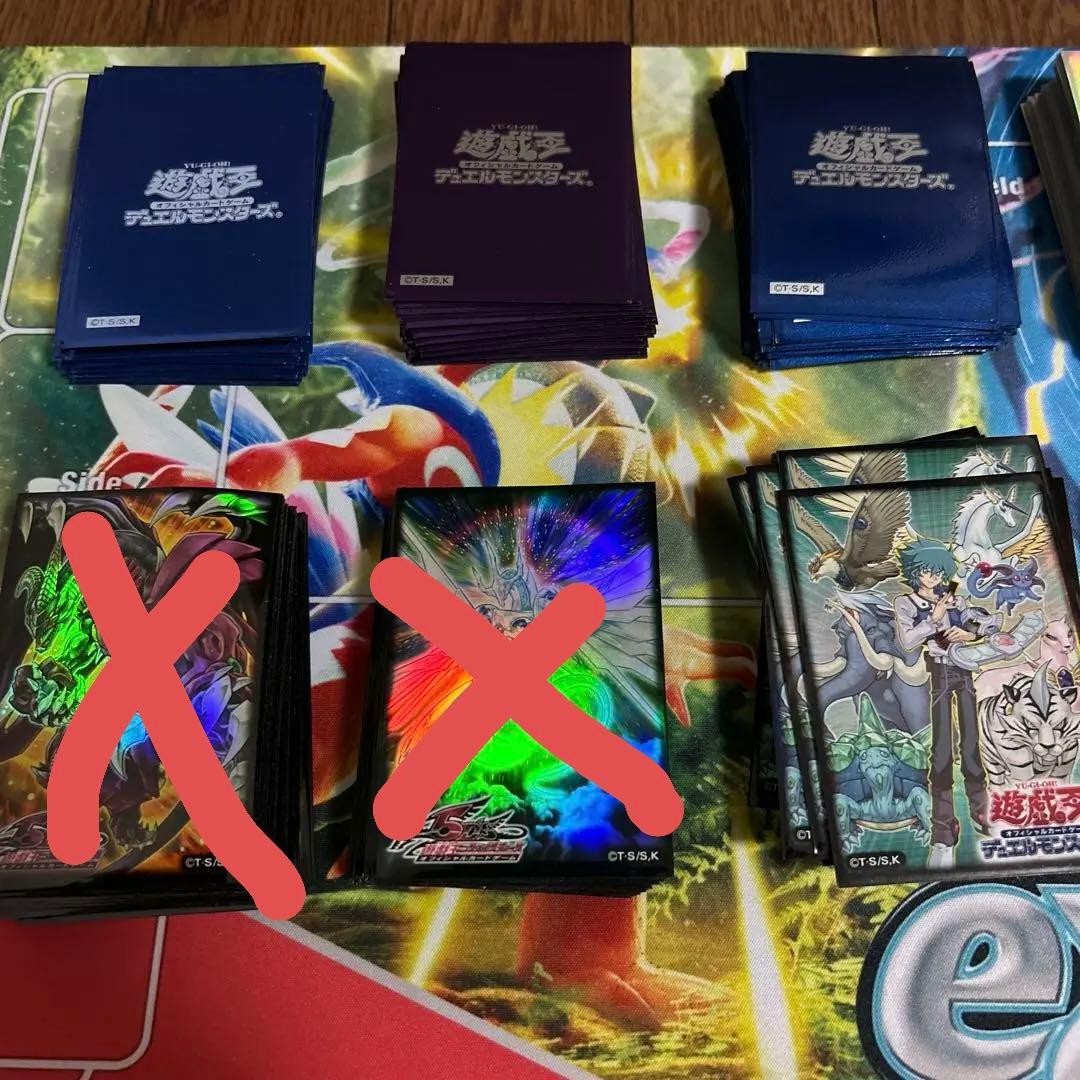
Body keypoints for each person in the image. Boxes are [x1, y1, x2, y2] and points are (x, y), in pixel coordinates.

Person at [893, 538, 996, 854]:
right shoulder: (906, 603)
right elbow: (907, 640)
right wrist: (933, 619)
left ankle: (981, 810)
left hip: (963, 670)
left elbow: (986, 624)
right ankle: (942, 823)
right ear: (914, 572)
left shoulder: (953, 598)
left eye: (938, 571)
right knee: (941, 748)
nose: (932, 577)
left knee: (970, 742)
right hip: (937, 674)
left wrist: (969, 633)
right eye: (926, 571)